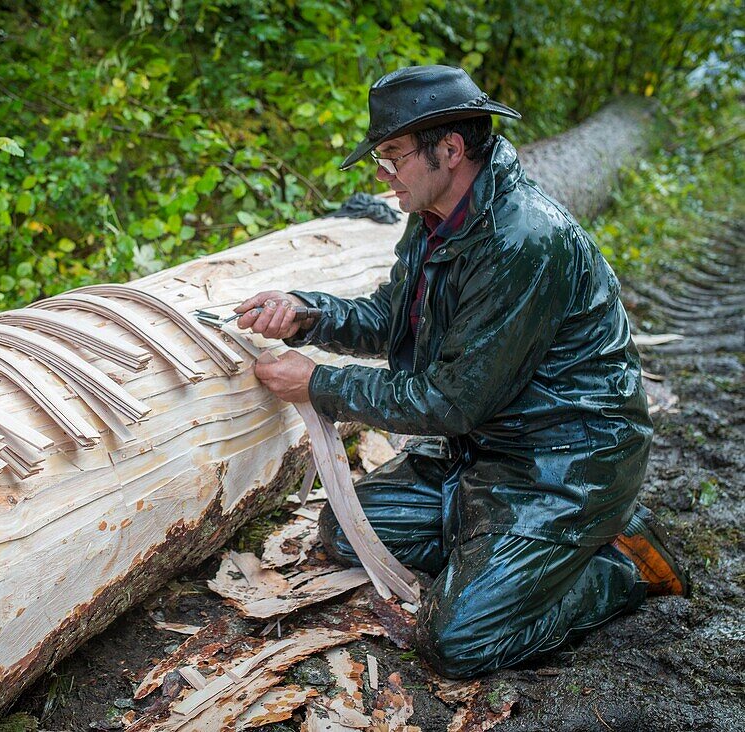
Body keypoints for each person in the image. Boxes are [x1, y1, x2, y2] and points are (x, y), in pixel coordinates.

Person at [236, 65, 689, 679]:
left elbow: (449, 402)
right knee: (344, 534)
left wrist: (318, 385)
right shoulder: (434, 218)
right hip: (484, 448)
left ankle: (615, 565)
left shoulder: (523, 239)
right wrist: (308, 317)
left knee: (458, 643)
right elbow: (394, 317)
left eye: (392, 155)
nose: (381, 173)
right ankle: (506, 557)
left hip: (566, 462)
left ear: (449, 150)